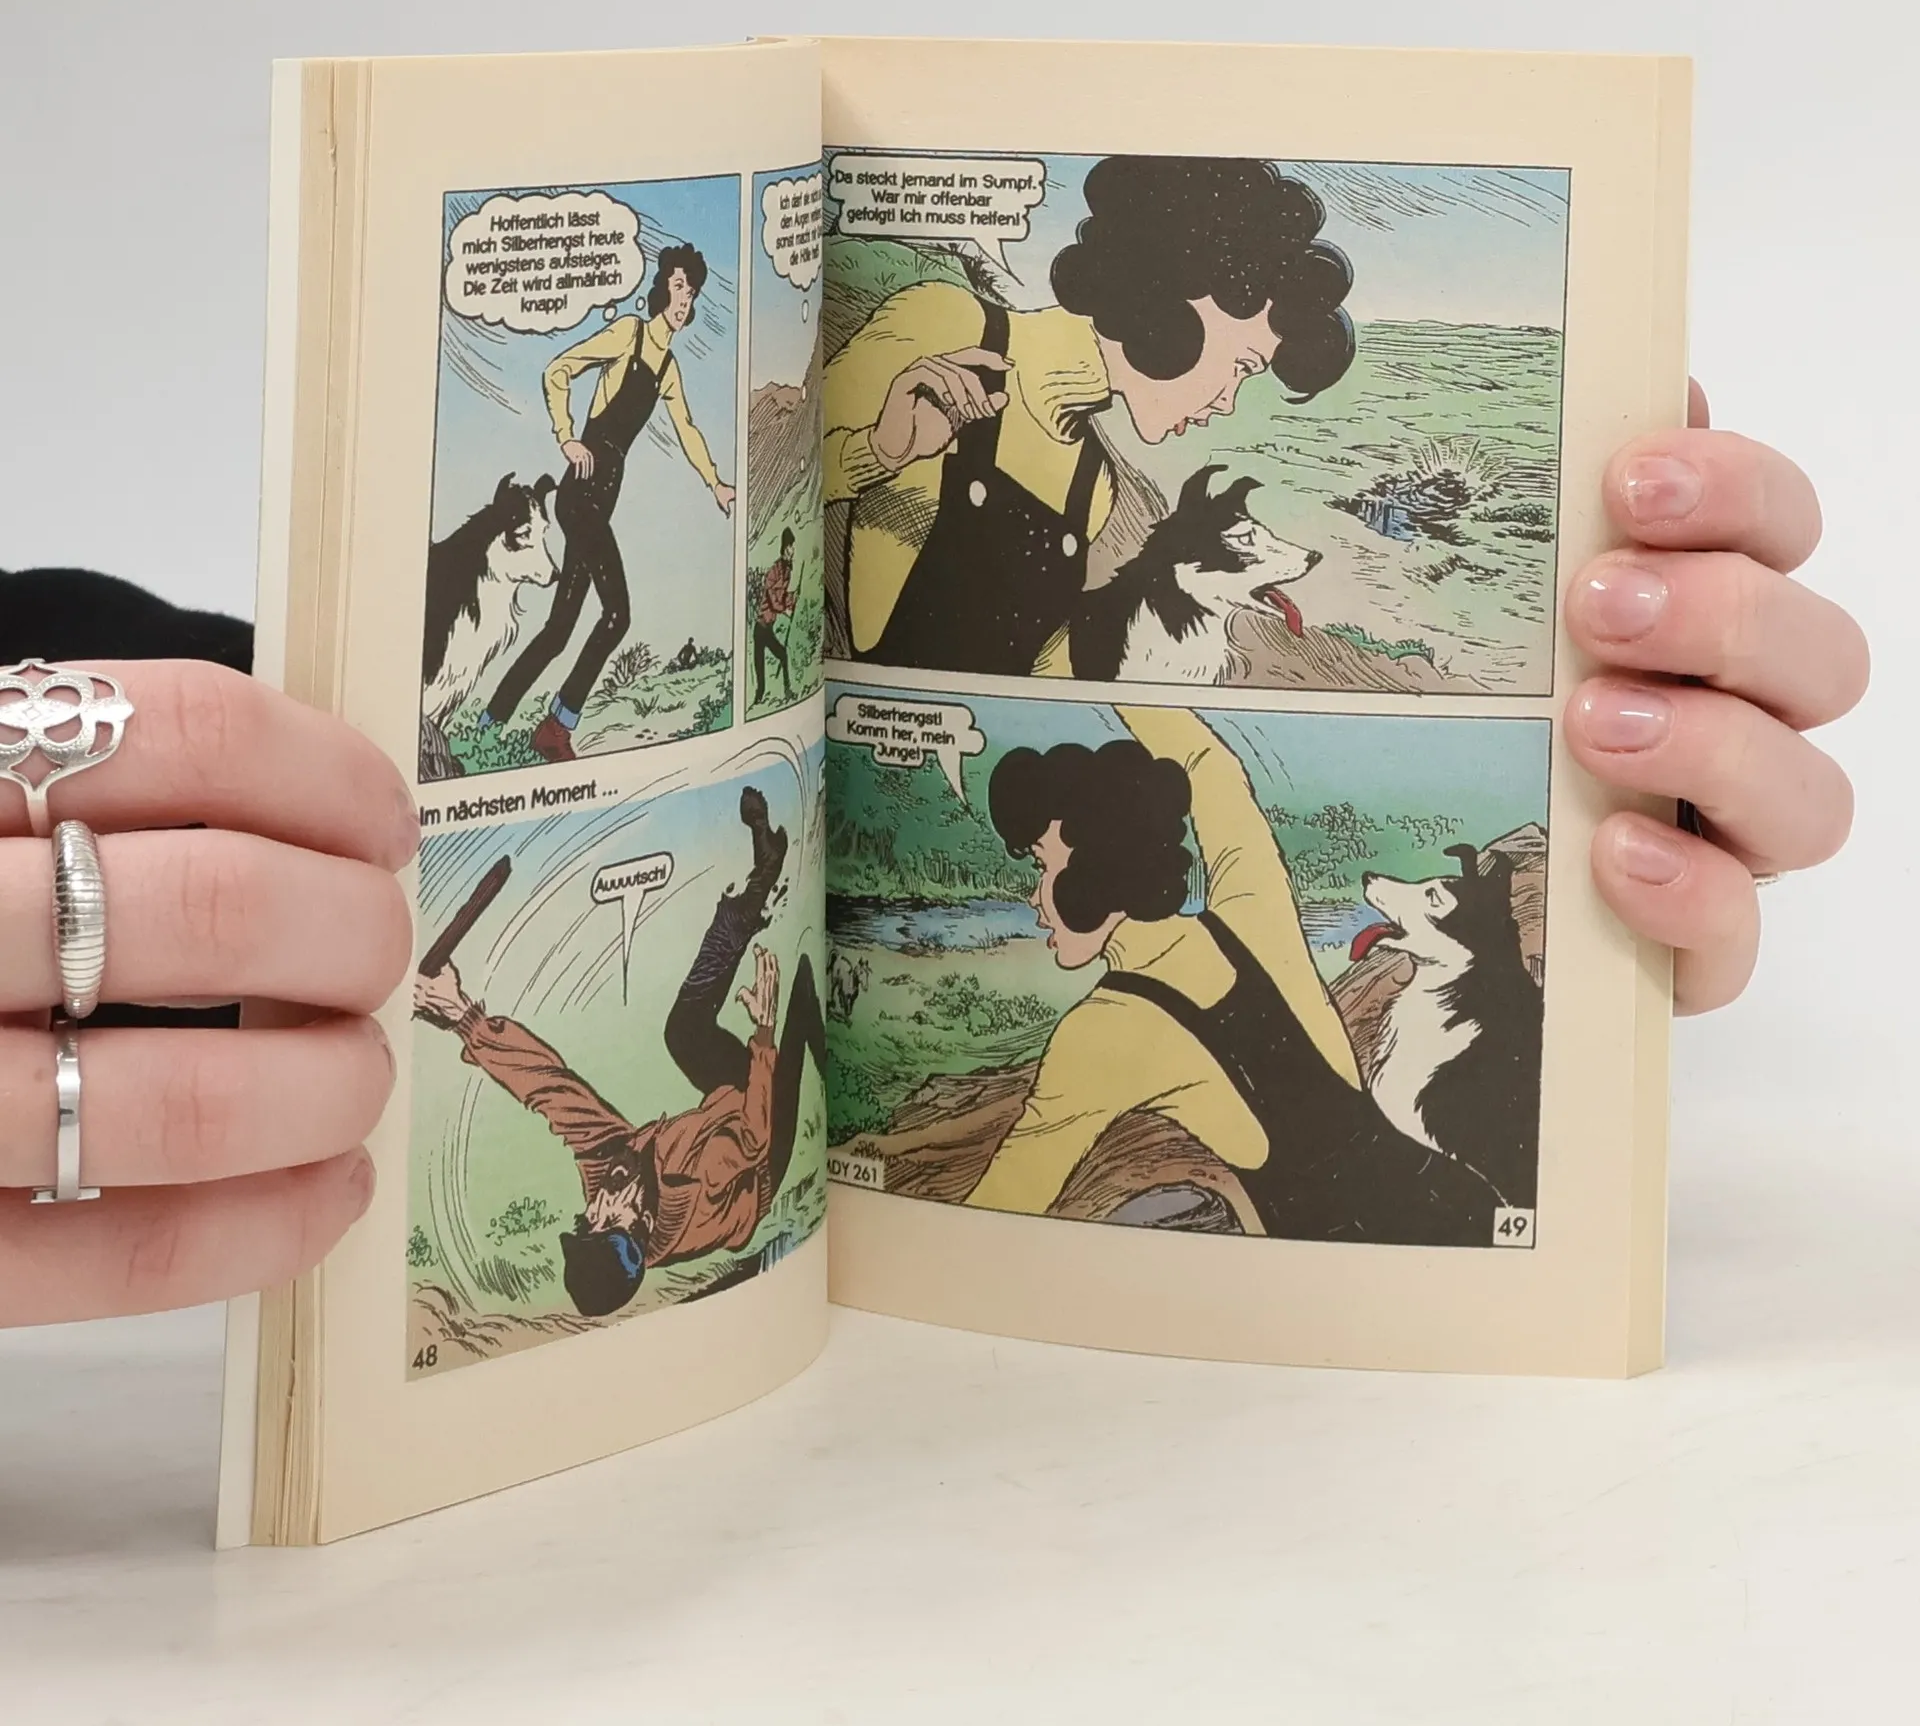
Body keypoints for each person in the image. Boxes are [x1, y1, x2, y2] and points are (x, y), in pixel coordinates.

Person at [0, 392, 1873, 1322]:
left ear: (1088, 889)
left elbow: (1021, 1137)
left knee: (740, 1009)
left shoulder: (1111, 1028)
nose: (612, 1209)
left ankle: (749, 904)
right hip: (1403, 1211)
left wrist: (1582, 761)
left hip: (1389, 1266)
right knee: (738, 1011)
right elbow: (1208, 776)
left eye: (1046, 866)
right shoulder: (1239, 925)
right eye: (616, 1232)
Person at [971, 707, 1498, 1241]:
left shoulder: (1104, 1026)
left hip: (1346, 1255)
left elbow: (1008, 1194)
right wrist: (1101, 681)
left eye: (1042, 866)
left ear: (1095, 871)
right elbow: (1208, 765)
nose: (1034, 898)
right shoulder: (1249, 911)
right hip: (1461, 1206)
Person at [823, 157, 1354, 675]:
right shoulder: (947, 326)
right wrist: (878, 452)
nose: (1227, 402)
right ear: (1177, 306)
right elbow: (783, 492)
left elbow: (1044, 664)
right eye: (1240, 367)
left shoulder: (1094, 483)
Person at [411, 789, 824, 1314]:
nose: (598, 1203)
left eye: (588, 1220)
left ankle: (759, 885)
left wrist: (461, 1015)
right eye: (609, 1220)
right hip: (759, 1157)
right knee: (802, 994)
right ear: (646, 1224)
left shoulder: (610, 1177)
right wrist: (763, 1033)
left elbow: (554, 1090)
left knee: (684, 1032)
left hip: (727, 1114)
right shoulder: (691, 1181)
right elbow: (751, 1135)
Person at [480, 245, 734, 764]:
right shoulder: (628, 335)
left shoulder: (668, 369)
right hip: (582, 493)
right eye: (679, 287)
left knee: (559, 629)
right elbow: (558, 370)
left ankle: (490, 722)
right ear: (662, 288)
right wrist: (567, 438)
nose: (685, 300)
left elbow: (687, 429)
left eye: (692, 292)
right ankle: (557, 726)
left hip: (604, 496)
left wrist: (715, 483)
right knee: (617, 615)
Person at [753, 526, 798, 707]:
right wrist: (785, 610)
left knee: (783, 655)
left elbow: (783, 595)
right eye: (791, 546)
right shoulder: (774, 571)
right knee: (760, 666)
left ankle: (787, 690)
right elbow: (773, 600)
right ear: (785, 547)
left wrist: (792, 599)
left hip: (768, 627)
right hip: (761, 627)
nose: (793, 550)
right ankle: (758, 698)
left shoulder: (787, 571)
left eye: (793, 546)